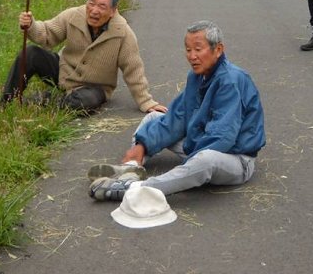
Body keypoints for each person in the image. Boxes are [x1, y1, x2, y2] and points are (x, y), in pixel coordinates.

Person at [88, 20, 266, 201]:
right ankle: (132, 167)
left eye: (198, 49)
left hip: (234, 158)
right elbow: (177, 118)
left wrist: (189, 167)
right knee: (154, 118)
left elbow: (223, 137)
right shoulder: (197, 76)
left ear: (218, 49)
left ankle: (137, 188)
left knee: (205, 161)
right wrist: (143, 145)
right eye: (188, 50)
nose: (192, 56)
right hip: (200, 144)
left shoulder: (231, 80)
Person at [0, 0, 166, 113]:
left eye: (102, 6)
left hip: (94, 87)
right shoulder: (73, 15)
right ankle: (7, 102)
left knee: (88, 101)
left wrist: (146, 102)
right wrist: (30, 25)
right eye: (91, 3)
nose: (94, 10)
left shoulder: (123, 34)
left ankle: (38, 101)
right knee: (30, 53)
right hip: (64, 73)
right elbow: (46, 34)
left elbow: (134, 70)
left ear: (113, 11)